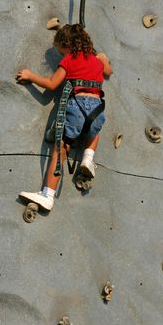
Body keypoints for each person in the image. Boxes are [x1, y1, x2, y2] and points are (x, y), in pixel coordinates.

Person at [16, 23, 112, 211]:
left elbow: (52, 84)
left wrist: (30, 76)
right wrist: (104, 57)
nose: (60, 53)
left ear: (67, 46)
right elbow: (107, 72)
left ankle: (47, 195)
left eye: (60, 49)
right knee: (93, 131)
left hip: (77, 108)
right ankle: (87, 158)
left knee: (60, 151)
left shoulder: (69, 60)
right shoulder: (97, 61)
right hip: (97, 110)